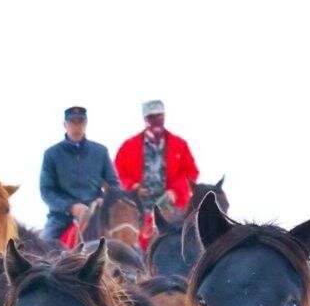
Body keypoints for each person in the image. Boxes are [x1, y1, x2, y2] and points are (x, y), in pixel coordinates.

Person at [114, 100, 199, 233]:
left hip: (173, 209)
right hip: (136, 210)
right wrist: (132, 187)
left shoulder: (180, 145)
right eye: (151, 117)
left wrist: (174, 192)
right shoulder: (128, 147)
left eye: (159, 116)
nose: (156, 121)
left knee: (179, 240)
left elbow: (191, 172)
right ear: (144, 119)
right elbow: (117, 173)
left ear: (164, 116)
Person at [39, 105, 118, 241]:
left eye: (80, 122)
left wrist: (105, 200)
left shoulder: (100, 151)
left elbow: (114, 184)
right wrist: (70, 207)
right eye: (72, 122)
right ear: (65, 124)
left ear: (86, 123)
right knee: (42, 247)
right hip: (61, 218)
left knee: (129, 246)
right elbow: (46, 191)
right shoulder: (51, 154)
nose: (77, 126)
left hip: (97, 212)